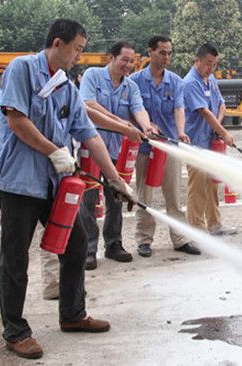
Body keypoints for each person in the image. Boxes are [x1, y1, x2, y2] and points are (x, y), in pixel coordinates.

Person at [0, 19, 136, 359]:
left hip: (54, 183)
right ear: (58, 43)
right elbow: (16, 119)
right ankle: (15, 330)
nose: (79, 57)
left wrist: (116, 180)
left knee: (74, 245)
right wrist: (54, 151)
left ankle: (72, 314)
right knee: (15, 257)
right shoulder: (22, 69)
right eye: (77, 50)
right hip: (19, 182)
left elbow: (89, 135)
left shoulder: (67, 86)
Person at [79, 40, 157, 269]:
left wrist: (146, 127)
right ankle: (88, 249)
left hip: (117, 151)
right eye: (125, 60)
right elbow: (89, 105)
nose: (129, 65)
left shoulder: (130, 86)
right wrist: (121, 123)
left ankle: (114, 244)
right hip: (91, 149)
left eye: (132, 61)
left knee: (117, 198)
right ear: (111, 58)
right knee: (89, 199)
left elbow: (138, 109)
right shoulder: (92, 75)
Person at [130, 35, 199, 257]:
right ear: (150, 52)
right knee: (145, 195)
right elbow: (131, 112)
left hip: (169, 145)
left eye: (169, 53)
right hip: (144, 148)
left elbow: (179, 109)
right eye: (162, 52)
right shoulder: (134, 81)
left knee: (173, 196)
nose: (166, 57)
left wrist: (180, 132)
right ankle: (144, 240)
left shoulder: (176, 81)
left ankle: (179, 239)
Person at [184, 43, 237, 238]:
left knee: (213, 185)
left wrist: (218, 128)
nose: (211, 68)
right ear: (196, 61)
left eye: (214, 64)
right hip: (196, 144)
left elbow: (220, 105)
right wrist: (223, 132)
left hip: (211, 142)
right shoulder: (190, 83)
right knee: (197, 188)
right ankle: (197, 231)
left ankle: (215, 225)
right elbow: (205, 112)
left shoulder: (211, 79)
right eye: (207, 64)